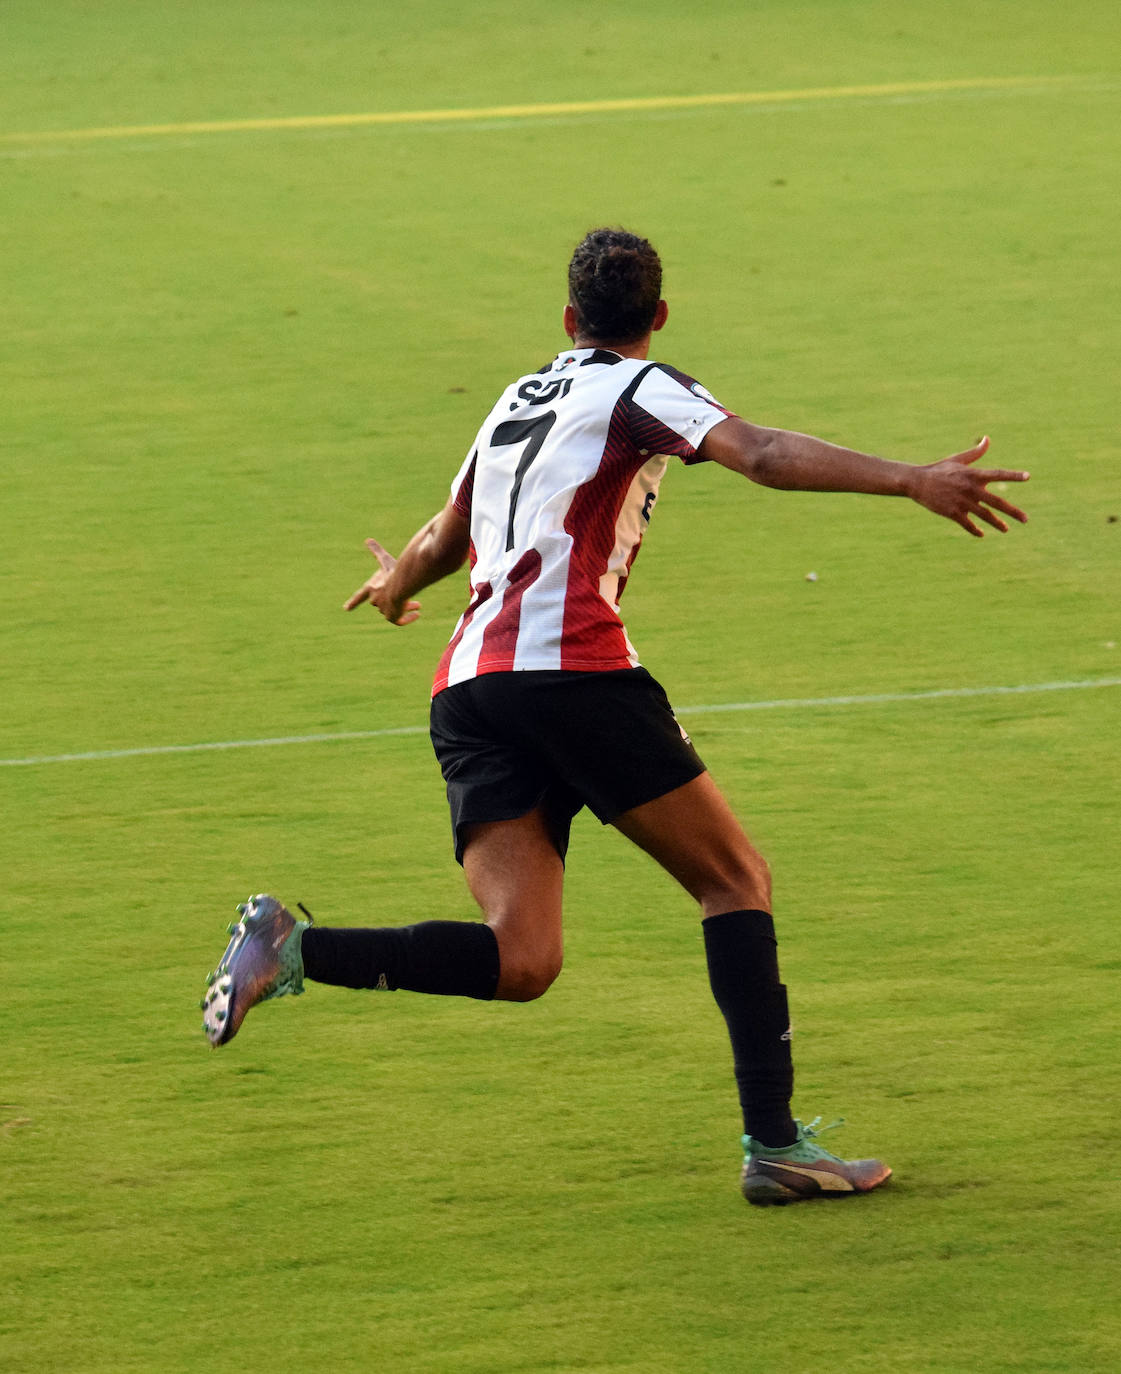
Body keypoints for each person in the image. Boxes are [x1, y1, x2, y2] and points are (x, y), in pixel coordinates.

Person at [200, 227, 1029, 1205]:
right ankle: (773, 1145)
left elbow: (446, 533)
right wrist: (910, 479)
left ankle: (286, 948)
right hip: (573, 673)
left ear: (564, 319)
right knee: (734, 880)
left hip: (469, 691)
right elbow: (756, 452)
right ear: (658, 318)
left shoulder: (513, 399)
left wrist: (392, 584)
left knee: (522, 958)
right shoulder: (643, 388)